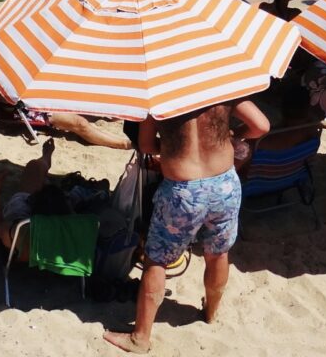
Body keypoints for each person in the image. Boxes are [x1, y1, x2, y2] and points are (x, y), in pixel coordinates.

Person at [103, 98, 269, 354]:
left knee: (156, 259)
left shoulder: (158, 97)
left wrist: (170, 147)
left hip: (182, 191)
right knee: (218, 253)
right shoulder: (224, 87)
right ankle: (210, 313)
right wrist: (234, 136)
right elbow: (261, 125)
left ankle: (140, 338)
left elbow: (146, 145)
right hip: (224, 184)